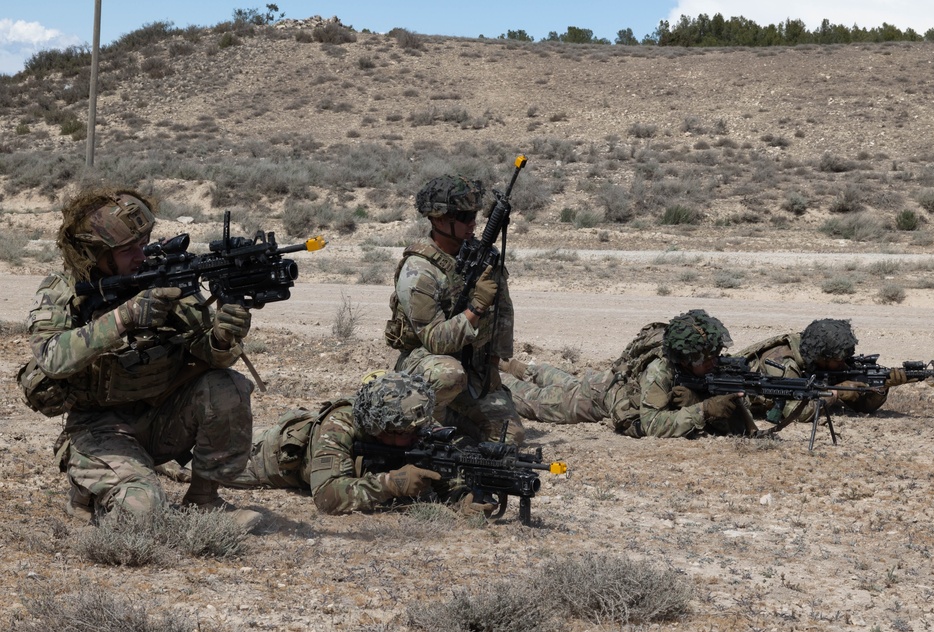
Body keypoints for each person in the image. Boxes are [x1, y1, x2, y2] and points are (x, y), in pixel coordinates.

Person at [23, 186, 260, 529]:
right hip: (99, 428)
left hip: (161, 417)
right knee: (143, 514)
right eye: (128, 250)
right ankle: (89, 490)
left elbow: (210, 355)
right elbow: (52, 357)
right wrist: (125, 316)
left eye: (144, 243)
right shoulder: (64, 289)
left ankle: (205, 500)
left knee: (227, 386)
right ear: (96, 254)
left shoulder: (160, 277)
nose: (141, 255)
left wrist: (224, 335)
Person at [221, 371, 495, 516]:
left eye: (418, 430)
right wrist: (390, 484)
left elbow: (438, 464)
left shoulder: (411, 422)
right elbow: (327, 497)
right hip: (254, 458)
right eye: (404, 433)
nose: (415, 437)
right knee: (194, 462)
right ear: (378, 428)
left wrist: (462, 495)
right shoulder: (339, 425)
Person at [384, 174, 524, 445]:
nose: (472, 223)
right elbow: (435, 340)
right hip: (427, 366)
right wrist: (477, 306)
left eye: (474, 215)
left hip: (471, 367)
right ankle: (427, 425)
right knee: (449, 375)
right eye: (463, 216)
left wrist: (494, 363)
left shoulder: (478, 255)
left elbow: (503, 315)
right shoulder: (419, 271)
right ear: (437, 219)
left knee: (510, 439)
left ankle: (453, 421)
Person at [501, 309, 746, 439]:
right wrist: (702, 410)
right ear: (688, 357)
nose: (715, 362)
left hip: (604, 383)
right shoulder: (659, 371)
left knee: (565, 381)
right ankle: (497, 375)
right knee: (531, 399)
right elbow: (652, 424)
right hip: (598, 399)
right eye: (708, 358)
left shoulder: (685, 364)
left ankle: (513, 366)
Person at [733, 318, 910, 421]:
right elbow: (797, 413)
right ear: (822, 357)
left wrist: (881, 387)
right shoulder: (782, 362)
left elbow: (862, 406)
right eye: (838, 360)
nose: (843, 363)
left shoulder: (827, 363)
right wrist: (836, 393)